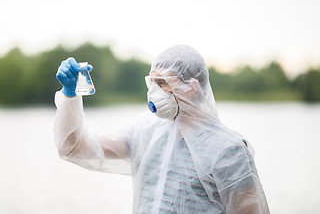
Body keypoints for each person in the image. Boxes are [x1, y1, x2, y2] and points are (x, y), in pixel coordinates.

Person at [53, 45, 270, 214]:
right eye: (153, 82)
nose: (154, 91)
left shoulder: (228, 150)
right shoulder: (144, 131)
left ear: (191, 87)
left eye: (163, 83)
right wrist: (70, 95)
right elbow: (74, 148)